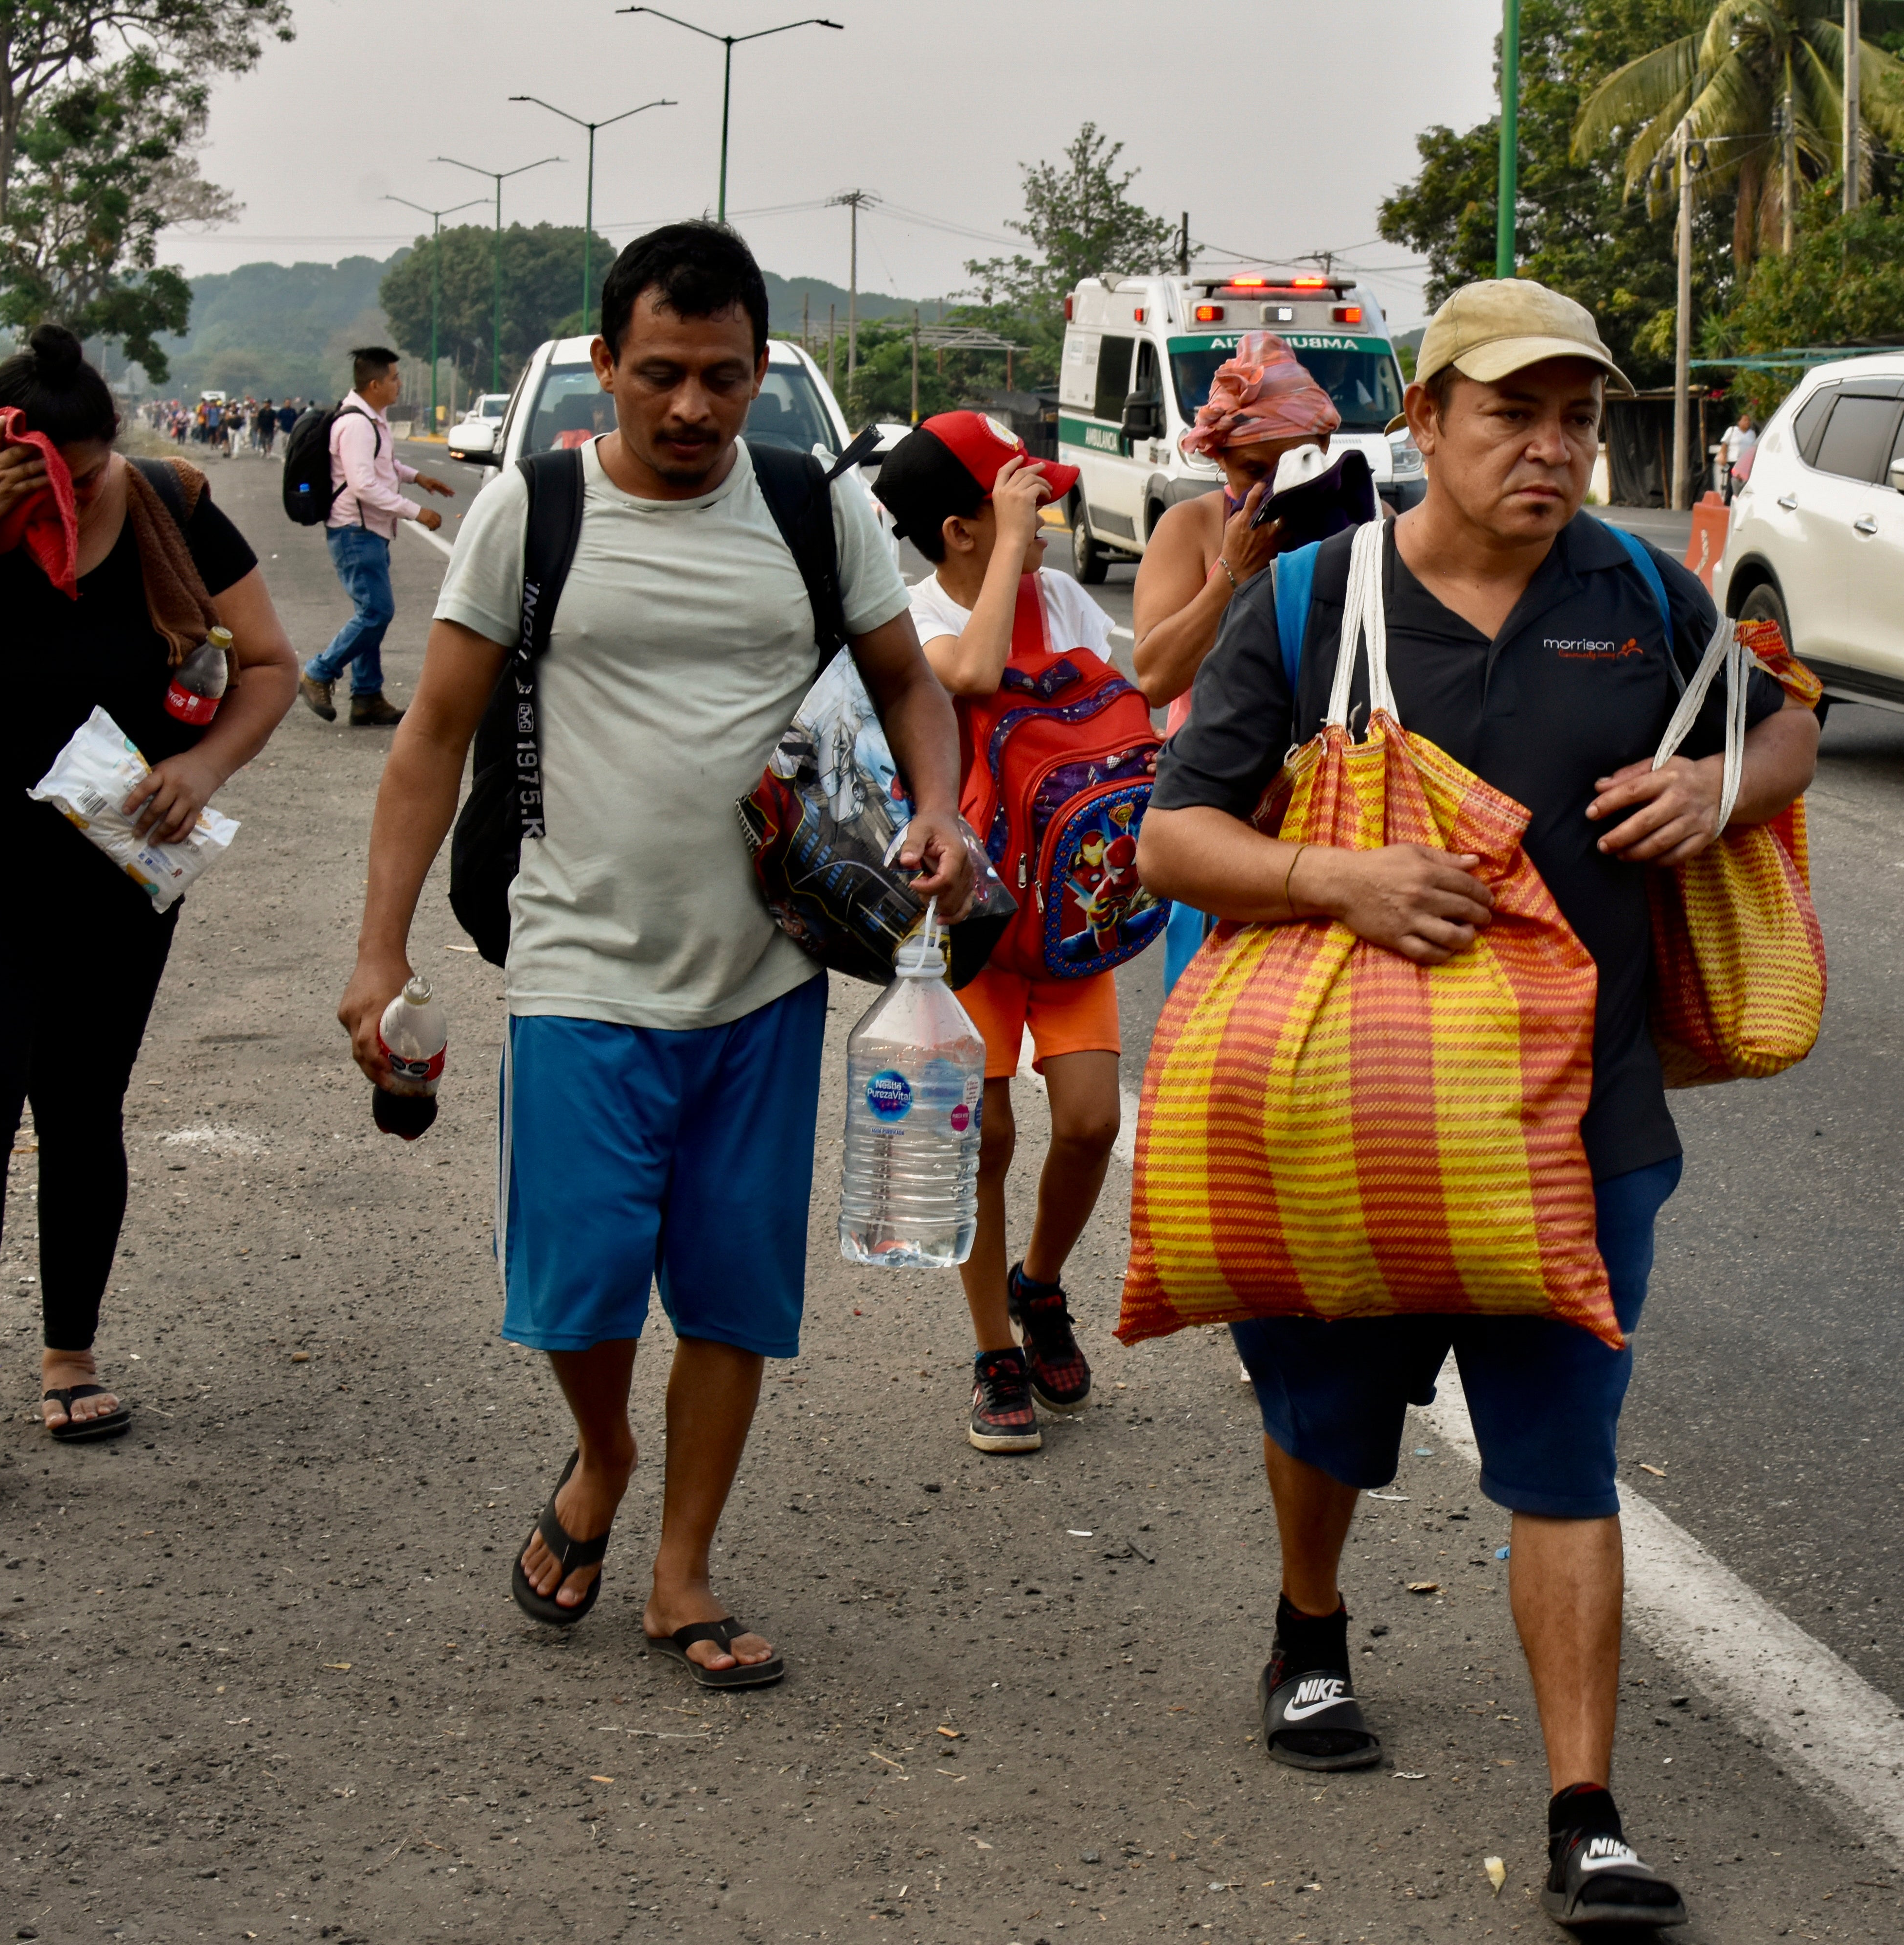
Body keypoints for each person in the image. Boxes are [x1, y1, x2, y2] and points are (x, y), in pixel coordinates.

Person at [1139, 279, 1820, 1930]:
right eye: (1514, 412)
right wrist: (1337, 878)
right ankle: (1310, 1628)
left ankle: (1587, 1813)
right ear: (1427, 421)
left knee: (1565, 1458)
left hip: (1585, 1124)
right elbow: (1173, 840)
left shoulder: (1641, 595)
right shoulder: (1312, 604)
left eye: (1578, 416)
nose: (1555, 446)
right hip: (1343, 1115)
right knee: (1326, 1421)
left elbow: (1789, 733)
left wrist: (1715, 784)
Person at [334, 224, 977, 1688]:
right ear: (607, 367)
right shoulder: (533, 511)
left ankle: (681, 1569)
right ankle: (603, 1455)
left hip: (765, 967)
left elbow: (909, 687)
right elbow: (431, 736)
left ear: (762, 372)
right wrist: (379, 948)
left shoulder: (817, 510)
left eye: (726, 378)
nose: (693, 409)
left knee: (734, 1290)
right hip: (577, 959)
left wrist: (938, 809)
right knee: (579, 1285)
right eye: (664, 375)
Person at [0, 324, 298, 1475]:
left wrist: (201, 768)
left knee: (84, 1101)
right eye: (43, 471)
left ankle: (70, 1360)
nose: (71, 493)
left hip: (117, 860)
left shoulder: (164, 501)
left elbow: (271, 661)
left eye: (85, 471)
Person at [870, 412, 1113, 1456]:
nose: (1047, 518)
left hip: (1065, 908)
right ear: (963, 529)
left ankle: (1040, 1282)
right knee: (987, 1137)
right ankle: (990, 1349)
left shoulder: (1060, 596)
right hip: (965, 918)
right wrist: (1014, 550)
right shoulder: (912, 613)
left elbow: (1107, 702)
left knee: (1095, 1122)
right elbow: (964, 677)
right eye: (1024, 503)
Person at [1129, 330, 1344, 720]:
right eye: (1254, 470)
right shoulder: (1192, 526)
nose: (1275, 485)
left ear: (1325, 446)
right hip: (1219, 769)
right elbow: (1156, 680)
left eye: (1299, 461)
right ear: (1220, 459)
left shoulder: (1365, 519)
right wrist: (1234, 572)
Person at [300, 348, 455, 728]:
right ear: (375, 384)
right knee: (376, 612)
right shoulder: (356, 425)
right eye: (395, 379)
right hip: (355, 531)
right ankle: (319, 672)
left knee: (370, 612)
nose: (399, 385)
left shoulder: (372, 420)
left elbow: (383, 465)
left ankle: (367, 696)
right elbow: (364, 485)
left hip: (369, 531)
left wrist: (418, 477)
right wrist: (417, 512)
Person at [1716, 410, 1758, 497]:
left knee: (1744, 482)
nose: (1748, 422)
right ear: (1739, 422)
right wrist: (1723, 456)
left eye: (1749, 420)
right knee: (1733, 481)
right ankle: (1729, 500)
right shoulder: (1732, 431)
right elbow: (1725, 444)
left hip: (1746, 463)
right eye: (1745, 420)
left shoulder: (1752, 433)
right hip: (1734, 461)